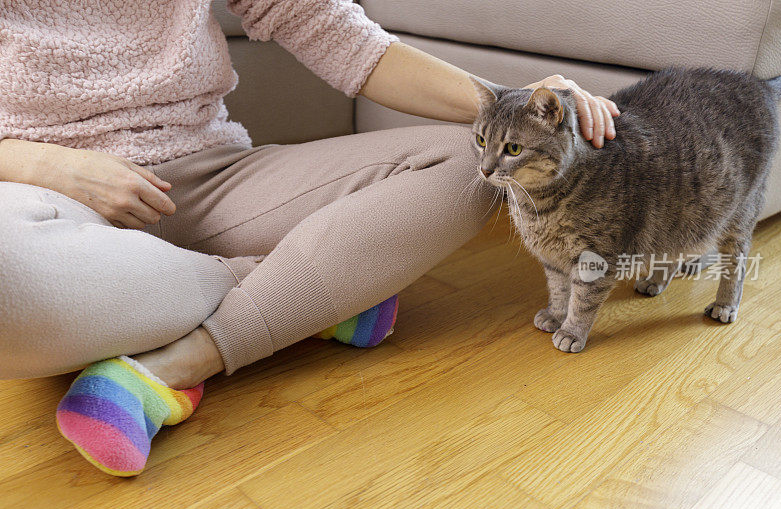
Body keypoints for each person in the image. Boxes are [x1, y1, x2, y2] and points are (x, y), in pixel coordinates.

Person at [0, 0, 618, 476]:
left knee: (476, 167)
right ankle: (304, 288)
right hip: (49, 197)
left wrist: (516, 105)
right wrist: (39, 163)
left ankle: (175, 365)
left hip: (214, 176)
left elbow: (339, 34)